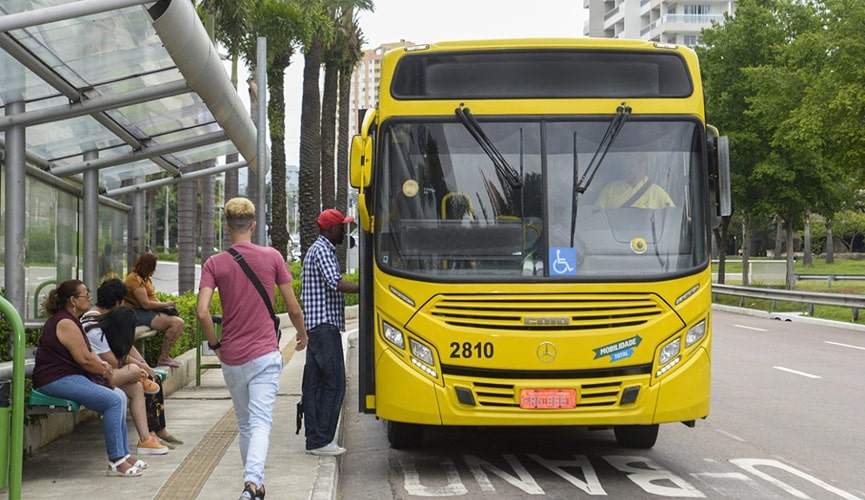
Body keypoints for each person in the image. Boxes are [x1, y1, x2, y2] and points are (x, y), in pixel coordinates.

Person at [197, 197, 308, 500]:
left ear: (227, 227)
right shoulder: (272, 257)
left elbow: (202, 312)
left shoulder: (214, 263)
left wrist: (216, 344)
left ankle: (255, 487)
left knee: (246, 424)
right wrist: (302, 335)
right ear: (254, 225)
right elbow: (293, 308)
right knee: (260, 422)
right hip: (264, 355)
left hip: (232, 357)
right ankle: (252, 483)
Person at [31, 279, 148, 477]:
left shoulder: (73, 320)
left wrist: (104, 367)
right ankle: (116, 461)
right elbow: (84, 359)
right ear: (73, 300)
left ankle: (123, 454)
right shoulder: (65, 323)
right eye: (85, 295)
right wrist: (105, 370)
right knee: (113, 400)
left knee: (119, 396)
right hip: (55, 380)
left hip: (70, 376)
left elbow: (90, 354)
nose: (88, 299)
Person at [83, 279, 183, 452]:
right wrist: (141, 367)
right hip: (99, 372)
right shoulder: (93, 324)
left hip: (110, 369)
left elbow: (125, 345)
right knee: (140, 374)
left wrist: (145, 365)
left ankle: (152, 435)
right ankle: (152, 432)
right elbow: (113, 359)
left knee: (145, 380)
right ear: (117, 302)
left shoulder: (107, 317)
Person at [301, 208, 359, 456]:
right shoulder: (323, 250)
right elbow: (336, 282)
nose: (344, 232)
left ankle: (315, 439)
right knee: (334, 383)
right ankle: (322, 440)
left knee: (314, 385)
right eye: (341, 227)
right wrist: (366, 287)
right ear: (330, 229)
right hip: (324, 327)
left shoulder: (319, 249)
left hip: (317, 326)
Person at [124, 252, 186, 368]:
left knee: (177, 321)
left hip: (146, 312)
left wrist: (165, 308)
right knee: (177, 323)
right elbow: (145, 304)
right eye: (152, 268)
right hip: (136, 313)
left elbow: (151, 299)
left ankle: (165, 357)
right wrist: (166, 304)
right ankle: (163, 358)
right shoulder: (134, 279)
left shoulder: (145, 279)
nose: (154, 271)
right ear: (147, 267)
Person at [596, 157, 674, 209]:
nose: (626, 168)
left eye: (630, 165)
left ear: (642, 168)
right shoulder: (609, 189)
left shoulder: (658, 194)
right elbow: (596, 216)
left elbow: (671, 218)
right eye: (625, 165)